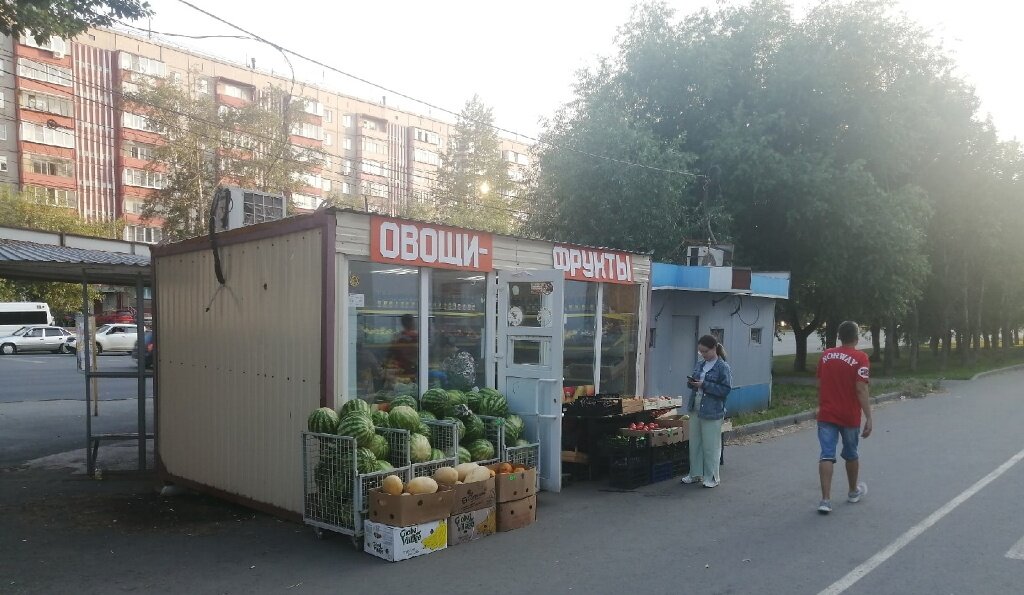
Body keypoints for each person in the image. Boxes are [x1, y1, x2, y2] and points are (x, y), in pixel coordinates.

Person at [815, 320, 872, 514]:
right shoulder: (861, 358)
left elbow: (820, 383)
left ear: (839, 336)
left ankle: (825, 500)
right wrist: (869, 417)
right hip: (849, 415)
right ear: (857, 337)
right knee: (851, 453)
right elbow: (861, 388)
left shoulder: (826, 355)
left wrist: (820, 405)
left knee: (826, 455)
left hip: (827, 413)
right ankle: (852, 491)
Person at [680, 334, 732, 488]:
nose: (703, 355)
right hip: (696, 406)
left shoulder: (723, 367)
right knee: (694, 442)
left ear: (714, 349)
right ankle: (695, 473)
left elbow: (725, 389)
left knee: (711, 445)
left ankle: (712, 477)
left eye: (705, 351)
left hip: (712, 409)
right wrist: (692, 382)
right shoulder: (700, 364)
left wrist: (704, 385)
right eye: (700, 352)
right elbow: (693, 384)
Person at [386, 314, 418, 381]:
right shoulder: (416, 336)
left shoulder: (398, 336)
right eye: (413, 321)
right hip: (409, 366)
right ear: (411, 323)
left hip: (401, 367)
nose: (415, 323)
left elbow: (391, 349)